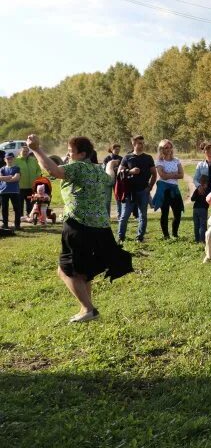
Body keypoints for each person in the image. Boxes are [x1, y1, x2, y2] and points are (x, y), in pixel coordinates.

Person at [25, 134, 132, 322]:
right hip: (100, 227)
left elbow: (53, 170)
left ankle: (88, 309)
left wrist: (36, 149)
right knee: (83, 271)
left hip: (78, 225)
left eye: (71, 152)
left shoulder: (78, 167)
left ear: (82, 154)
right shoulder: (97, 171)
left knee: (65, 270)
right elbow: (110, 178)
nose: (68, 154)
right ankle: (86, 311)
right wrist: (110, 166)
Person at [117, 136, 156, 243]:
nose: (142, 145)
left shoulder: (148, 158)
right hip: (129, 192)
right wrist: (130, 171)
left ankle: (140, 237)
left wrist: (150, 187)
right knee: (124, 215)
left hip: (143, 191)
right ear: (133, 144)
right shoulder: (127, 157)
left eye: (143, 143)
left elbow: (154, 174)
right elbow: (119, 173)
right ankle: (121, 237)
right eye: (139, 143)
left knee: (143, 215)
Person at [153, 139, 184, 240]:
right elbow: (162, 175)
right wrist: (174, 175)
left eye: (170, 147)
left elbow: (181, 175)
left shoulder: (176, 160)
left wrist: (169, 175)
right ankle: (166, 235)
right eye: (166, 147)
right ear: (161, 149)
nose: (169, 149)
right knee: (165, 213)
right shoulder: (159, 161)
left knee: (178, 213)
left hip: (174, 189)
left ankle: (175, 234)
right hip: (164, 190)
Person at [17, 145, 42, 220]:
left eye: (27, 151)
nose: (25, 153)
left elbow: (38, 170)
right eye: (23, 151)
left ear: (28, 152)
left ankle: (29, 215)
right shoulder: (16, 161)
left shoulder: (33, 160)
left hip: (31, 186)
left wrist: (38, 176)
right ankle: (20, 216)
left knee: (30, 202)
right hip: (20, 186)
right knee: (20, 203)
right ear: (20, 152)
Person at [0, 152, 22, 230]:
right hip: (3, 191)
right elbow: (0, 178)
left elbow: (16, 178)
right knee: (4, 209)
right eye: (7, 158)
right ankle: (5, 224)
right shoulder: (2, 169)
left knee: (17, 209)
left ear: (14, 159)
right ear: (5, 159)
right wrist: (10, 177)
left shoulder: (16, 168)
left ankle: (17, 225)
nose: (9, 160)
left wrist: (5, 178)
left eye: (11, 158)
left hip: (14, 191)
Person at [190, 174, 210, 243]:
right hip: (203, 209)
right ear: (207, 182)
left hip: (195, 209)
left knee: (196, 225)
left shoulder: (197, 190)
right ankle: (202, 240)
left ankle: (197, 239)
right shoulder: (207, 190)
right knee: (203, 225)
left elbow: (192, 199)